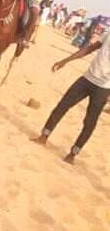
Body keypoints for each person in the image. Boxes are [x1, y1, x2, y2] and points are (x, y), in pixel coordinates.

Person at [32, 27, 110, 164]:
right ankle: (44, 136)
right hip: (87, 79)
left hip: (104, 88)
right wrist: (65, 60)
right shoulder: (108, 33)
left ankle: (73, 154)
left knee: (90, 122)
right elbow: (88, 49)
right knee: (62, 106)